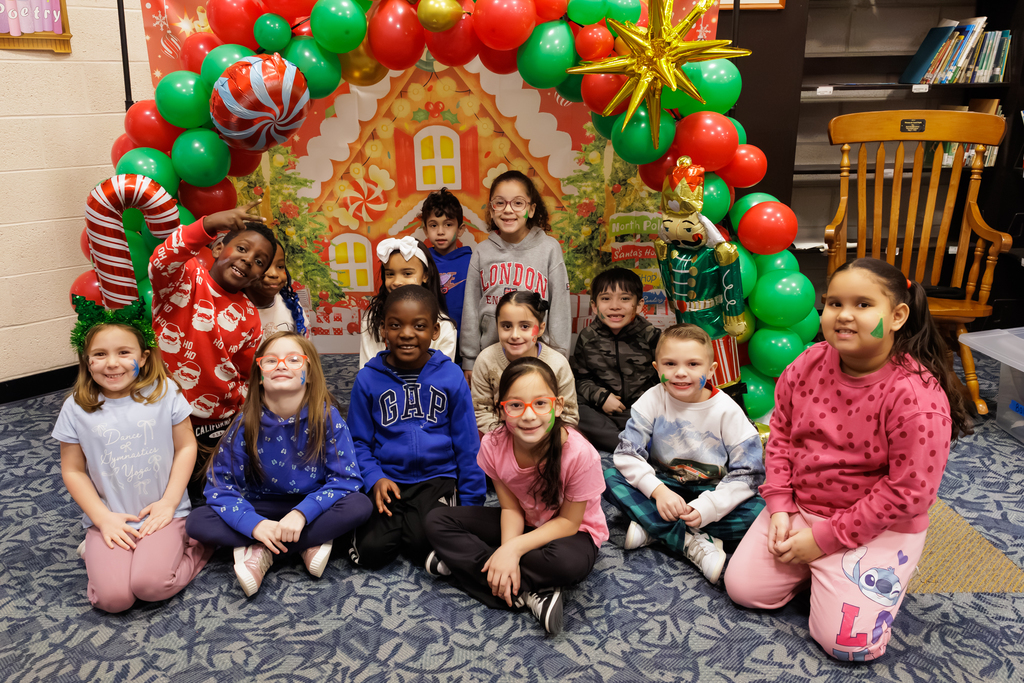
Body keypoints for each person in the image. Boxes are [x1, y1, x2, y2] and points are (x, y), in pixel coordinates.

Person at [725, 258, 971, 662]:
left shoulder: (915, 397)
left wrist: (823, 542)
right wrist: (781, 507)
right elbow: (782, 434)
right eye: (834, 303)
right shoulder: (807, 363)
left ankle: (850, 574)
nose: (843, 315)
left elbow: (907, 494)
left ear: (897, 316)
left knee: (850, 647)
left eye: (862, 304)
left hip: (877, 526)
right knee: (744, 590)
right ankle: (821, 574)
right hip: (805, 508)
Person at [424, 357, 608, 636]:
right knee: (437, 520)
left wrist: (512, 550)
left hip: (572, 532)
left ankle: (466, 567)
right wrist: (510, 549)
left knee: (567, 565)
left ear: (558, 406)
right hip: (525, 521)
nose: (529, 415)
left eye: (541, 403)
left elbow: (569, 523)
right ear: (502, 409)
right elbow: (511, 510)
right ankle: (530, 592)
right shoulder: (493, 444)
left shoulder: (581, 454)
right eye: (515, 405)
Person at [52, 297, 211, 613]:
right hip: (110, 517)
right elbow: (73, 470)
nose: (112, 363)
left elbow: (186, 447)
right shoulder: (76, 408)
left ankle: (199, 548)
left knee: (150, 587)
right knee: (113, 600)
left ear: (144, 355)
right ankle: (101, 555)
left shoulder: (166, 393)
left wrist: (168, 502)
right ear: (86, 361)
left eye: (124, 352)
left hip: (163, 514)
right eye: (100, 354)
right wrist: (102, 518)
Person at [186, 331, 372, 597]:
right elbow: (220, 487)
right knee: (197, 521)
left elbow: (346, 480)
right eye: (270, 361)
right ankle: (304, 541)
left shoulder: (327, 418)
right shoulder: (244, 422)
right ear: (260, 375)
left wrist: (301, 514)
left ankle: (264, 549)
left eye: (294, 359)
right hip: (260, 507)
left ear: (309, 372)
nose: (282, 364)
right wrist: (256, 525)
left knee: (359, 505)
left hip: (311, 506)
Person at [604, 324, 765, 585]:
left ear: (711, 370)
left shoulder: (727, 411)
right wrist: (658, 491)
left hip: (713, 491)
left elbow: (750, 473)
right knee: (610, 476)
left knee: (761, 511)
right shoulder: (651, 400)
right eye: (670, 364)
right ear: (657, 368)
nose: (680, 373)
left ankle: (654, 529)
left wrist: (709, 507)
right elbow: (627, 453)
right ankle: (691, 542)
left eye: (693, 364)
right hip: (666, 489)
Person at [348, 285, 485, 570]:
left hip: (437, 478)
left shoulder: (451, 375)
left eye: (419, 326)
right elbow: (357, 442)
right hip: (388, 479)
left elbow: (468, 442)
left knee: (424, 542)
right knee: (371, 553)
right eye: (395, 325)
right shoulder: (367, 379)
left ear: (435, 331)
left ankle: (414, 529)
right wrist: (374, 478)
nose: (407, 333)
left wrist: (471, 504)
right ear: (383, 330)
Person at [149, 199, 278, 500]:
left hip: (213, 425)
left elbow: (244, 374)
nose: (249, 260)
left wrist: (240, 418)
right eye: (243, 249)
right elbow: (162, 259)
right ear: (219, 248)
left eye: (260, 261)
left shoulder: (248, 314)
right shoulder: (185, 277)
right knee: (161, 490)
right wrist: (208, 224)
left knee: (210, 495)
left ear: (258, 276)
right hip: (161, 416)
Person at [460, 170, 570, 384]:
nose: (508, 210)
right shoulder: (482, 252)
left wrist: (559, 357)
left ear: (531, 209)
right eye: (499, 203)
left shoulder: (549, 248)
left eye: (518, 203)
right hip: (490, 358)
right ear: (491, 210)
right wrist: (469, 359)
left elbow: (560, 307)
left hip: (537, 358)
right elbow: (471, 308)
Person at [571, 268, 661, 453]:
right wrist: (601, 396)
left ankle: (633, 440)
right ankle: (625, 444)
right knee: (573, 407)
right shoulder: (588, 337)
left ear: (638, 305)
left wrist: (649, 403)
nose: (615, 306)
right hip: (604, 413)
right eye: (606, 299)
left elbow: (665, 375)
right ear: (594, 306)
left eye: (625, 299)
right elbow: (580, 379)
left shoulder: (651, 336)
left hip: (642, 412)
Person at [472, 290, 578, 435]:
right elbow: (481, 411)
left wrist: (540, 440)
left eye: (525, 326)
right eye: (507, 326)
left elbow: (569, 416)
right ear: (497, 326)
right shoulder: (485, 361)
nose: (515, 335)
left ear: (541, 329)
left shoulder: (558, 364)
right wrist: (510, 440)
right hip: (501, 440)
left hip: (547, 440)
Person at [358, 236, 457, 369]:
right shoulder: (372, 320)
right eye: (390, 274)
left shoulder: (444, 326)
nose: (397, 281)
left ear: (425, 275)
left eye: (407, 273)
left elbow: (443, 376)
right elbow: (367, 371)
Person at [422, 188, 472, 342]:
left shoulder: (472, 261)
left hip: (464, 343)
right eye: (433, 225)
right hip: (430, 343)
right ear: (425, 230)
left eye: (448, 224)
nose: (440, 232)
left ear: (460, 229)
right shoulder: (422, 261)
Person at [246, 243, 311, 339]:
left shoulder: (291, 305)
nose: (273, 274)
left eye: (280, 266)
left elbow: (305, 345)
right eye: (262, 264)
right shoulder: (234, 311)